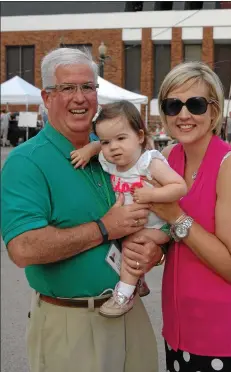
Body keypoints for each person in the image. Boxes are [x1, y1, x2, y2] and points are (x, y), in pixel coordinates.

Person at [1, 48, 164, 372]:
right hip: (70, 322)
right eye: (68, 88)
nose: (80, 97)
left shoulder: (113, 148)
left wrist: (155, 254)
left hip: (130, 314)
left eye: (88, 87)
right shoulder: (26, 162)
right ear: (47, 98)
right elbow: (22, 248)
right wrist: (104, 228)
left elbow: (156, 210)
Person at [141, 61, 231, 372]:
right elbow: (172, 235)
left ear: (214, 112)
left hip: (227, 339)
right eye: (174, 105)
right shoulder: (170, 158)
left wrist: (176, 216)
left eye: (195, 104)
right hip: (180, 328)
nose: (184, 115)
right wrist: (155, 250)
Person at [70, 100, 187, 317]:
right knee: (121, 239)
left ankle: (123, 295)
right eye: (106, 142)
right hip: (132, 223)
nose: (113, 147)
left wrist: (152, 194)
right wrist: (90, 149)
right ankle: (137, 281)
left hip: (159, 226)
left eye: (121, 138)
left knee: (132, 245)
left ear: (140, 137)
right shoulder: (112, 161)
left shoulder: (148, 162)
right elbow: (100, 148)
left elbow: (180, 187)